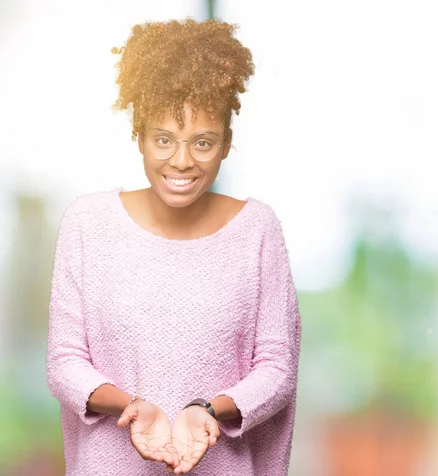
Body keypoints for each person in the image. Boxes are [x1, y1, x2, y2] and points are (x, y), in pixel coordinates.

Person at [45, 18, 302, 476]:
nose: (181, 161)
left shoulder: (257, 230)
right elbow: (65, 363)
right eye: (164, 139)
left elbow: (277, 369)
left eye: (202, 142)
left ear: (226, 144)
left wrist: (207, 409)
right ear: (139, 136)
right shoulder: (87, 224)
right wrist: (133, 406)